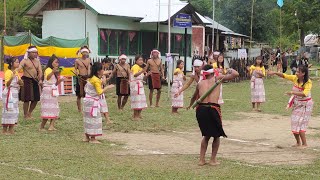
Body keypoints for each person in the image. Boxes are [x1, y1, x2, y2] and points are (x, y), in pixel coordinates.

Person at [191, 65, 239, 166]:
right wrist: (228, 69)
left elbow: (194, 97)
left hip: (201, 110)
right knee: (216, 136)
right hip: (213, 109)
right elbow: (235, 74)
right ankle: (212, 160)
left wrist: (189, 106)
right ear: (213, 72)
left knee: (206, 135)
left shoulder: (200, 83)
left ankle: (201, 160)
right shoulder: (217, 78)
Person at [268, 65, 313, 148]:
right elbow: (285, 75)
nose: (296, 73)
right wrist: (274, 72)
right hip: (297, 104)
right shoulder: (295, 78)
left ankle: (304, 144)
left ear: (303, 73)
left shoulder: (308, 82)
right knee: (294, 122)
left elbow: (304, 94)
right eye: (296, 71)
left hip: (306, 105)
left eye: (298, 72)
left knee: (300, 124)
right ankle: (298, 143)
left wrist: (292, 93)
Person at [83, 62, 114, 144]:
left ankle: (86, 136)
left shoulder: (91, 78)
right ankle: (93, 138)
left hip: (87, 101)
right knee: (94, 119)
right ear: (98, 71)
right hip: (93, 102)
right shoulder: (96, 80)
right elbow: (100, 92)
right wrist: (107, 87)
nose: (103, 71)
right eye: (102, 69)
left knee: (87, 119)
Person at [40, 55, 65, 131]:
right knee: (49, 108)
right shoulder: (48, 70)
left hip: (52, 89)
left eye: (58, 62)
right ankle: (43, 126)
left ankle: (51, 125)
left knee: (53, 108)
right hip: (48, 91)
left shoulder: (53, 71)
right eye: (56, 62)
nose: (57, 64)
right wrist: (53, 71)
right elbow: (47, 78)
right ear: (51, 63)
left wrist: (60, 81)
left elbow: (54, 83)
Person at [18, 46, 42, 120]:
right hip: (26, 80)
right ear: (29, 53)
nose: (35, 54)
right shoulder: (24, 60)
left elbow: (40, 71)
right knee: (27, 99)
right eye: (33, 52)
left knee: (36, 98)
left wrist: (39, 77)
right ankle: (25, 115)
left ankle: (29, 113)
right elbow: (18, 69)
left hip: (35, 80)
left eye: (36, 52)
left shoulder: (37, 61)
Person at [2, 57, 23, 134]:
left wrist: (20, 81)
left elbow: (21, 84)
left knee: (14, 110)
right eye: (16, 62)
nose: (18, 63)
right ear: (11, 63)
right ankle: (4, 129)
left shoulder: (16, 72)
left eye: (18, 62)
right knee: (8, 110)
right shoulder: (8, 72)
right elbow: (7, 84)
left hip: (15, 93)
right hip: (9, 92)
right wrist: (12, 77)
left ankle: (11, 129)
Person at [130, 55, 147, 120]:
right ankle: (135, 115)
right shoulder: (135, 67)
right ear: (136, 61)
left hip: (140, 85)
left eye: (142, 60)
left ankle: (139, 114)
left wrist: (146, 74)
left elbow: (143, 78)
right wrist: (142, 71)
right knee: (136, 100)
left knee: (141, 100)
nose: (141, 61)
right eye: (139, 60)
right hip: (135, 86)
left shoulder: (140, 68)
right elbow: (135, 74)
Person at [75, 46, 91, 112]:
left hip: (87, 77)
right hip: (80, 77)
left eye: (86, 52)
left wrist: (89, 77)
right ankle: (79, 109)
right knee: (79, 95)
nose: (85, 53)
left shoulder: (89, 60)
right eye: (84, 52)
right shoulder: (77, 60)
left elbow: (89, 69)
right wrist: (76, 73)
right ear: (81, 53)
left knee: (87, 94)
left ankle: (87, 108)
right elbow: (75, 69)